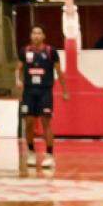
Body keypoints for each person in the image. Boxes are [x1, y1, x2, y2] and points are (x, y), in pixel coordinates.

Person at [16, 24, 69, 168]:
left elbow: (59, 72)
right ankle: (31, 152)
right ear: (31, 36)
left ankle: (50, 155)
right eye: (34, 33)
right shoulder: (24, 51)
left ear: (43, 36)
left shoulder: (51, 51)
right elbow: (18, 69)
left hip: (45, 91)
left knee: (46, 122)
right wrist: (18, 80)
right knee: (29, 122)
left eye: (39, 33)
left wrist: (65, 90)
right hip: (29, 91)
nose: (36, 35)